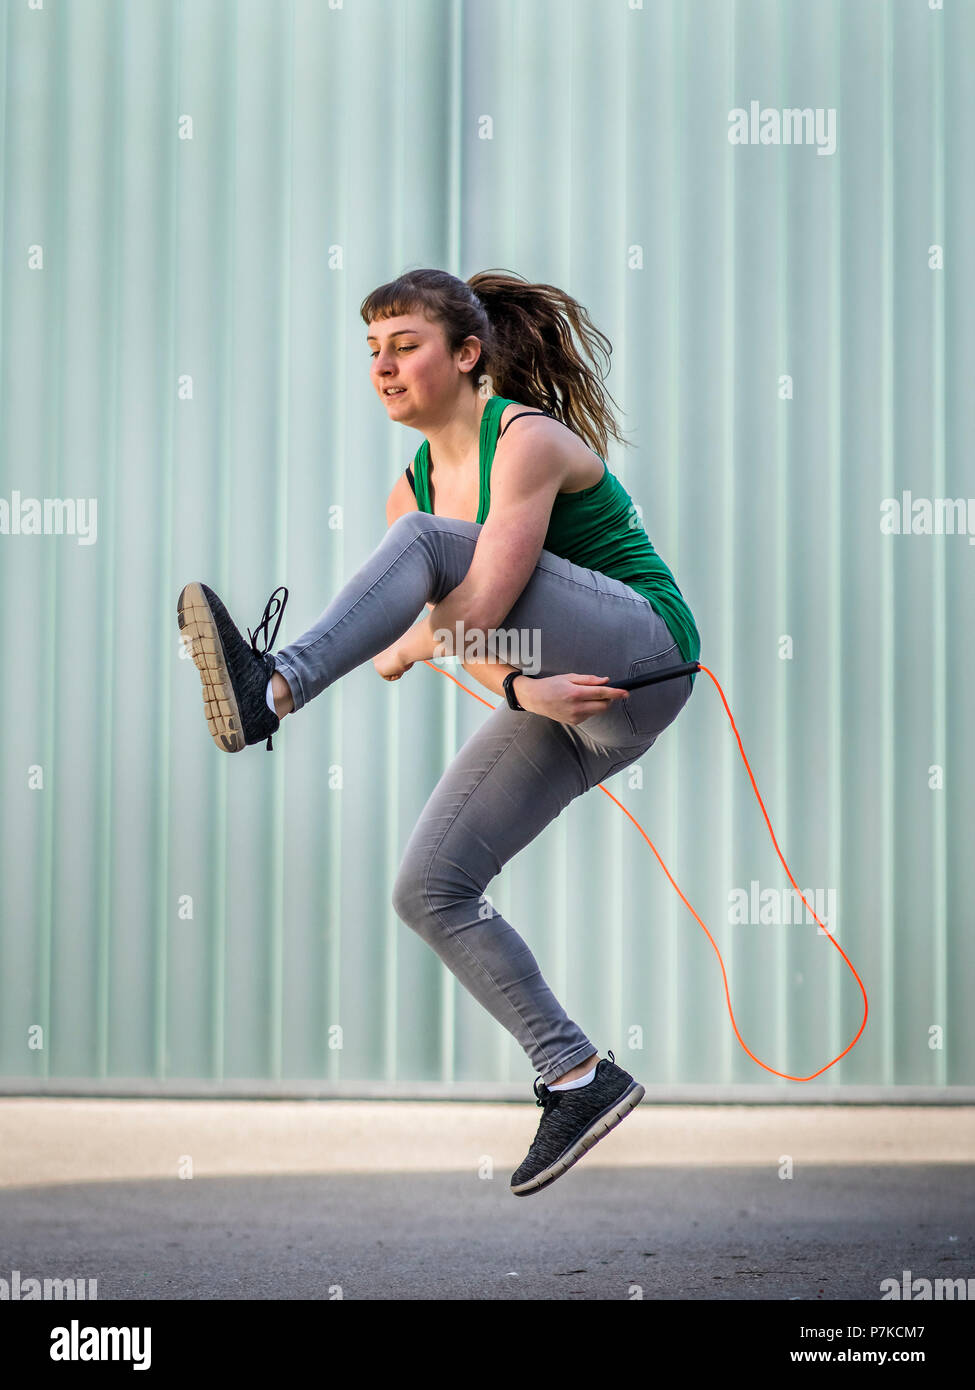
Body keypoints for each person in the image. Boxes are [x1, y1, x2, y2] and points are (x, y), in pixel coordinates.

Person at [176, 267, 701, 1196]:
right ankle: (578, 1077)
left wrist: (413, 641)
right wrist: (509, 688)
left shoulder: (526, 441)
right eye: (370, 350)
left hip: (643, 652)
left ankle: (278, 685)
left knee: (426, 550)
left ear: (467, 356)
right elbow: (472, 641)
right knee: (429, 889)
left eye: (403, 345)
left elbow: (481, 605)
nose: (381, 365)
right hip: (560, 701)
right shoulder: (409, 490)